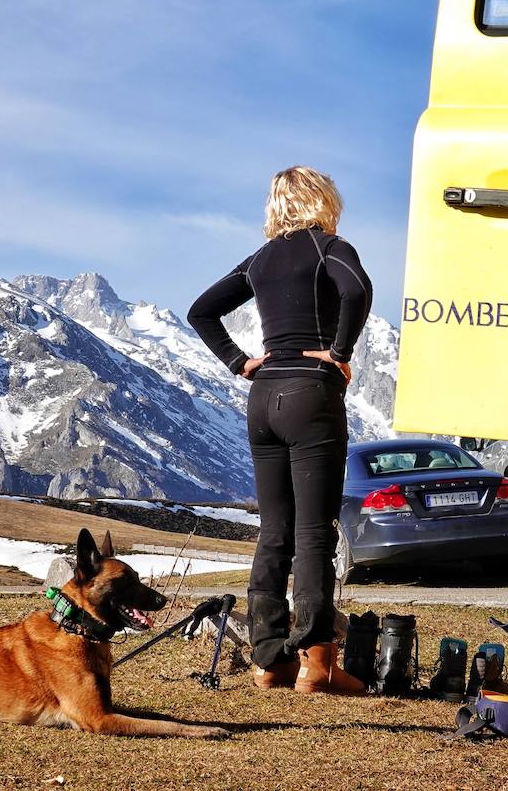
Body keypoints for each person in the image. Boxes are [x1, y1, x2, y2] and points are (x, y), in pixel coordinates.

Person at [188, 166, 373, 695]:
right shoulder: (330, 247)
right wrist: (339, 353)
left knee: (274, 533)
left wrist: (238, 362)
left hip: (263, 397)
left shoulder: (260, 260)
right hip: (311, 395)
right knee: (314, 531)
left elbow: (201, 310)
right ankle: (318, 665)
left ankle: (270, 661)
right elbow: (358, 291)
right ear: (324, 200)